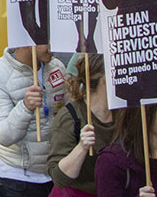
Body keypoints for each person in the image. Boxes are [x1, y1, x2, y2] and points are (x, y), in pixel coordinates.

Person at [0, 43, 67, 197]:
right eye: (47, 42)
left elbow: (69, 113)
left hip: (57, 173)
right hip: (18, 180)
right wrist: (25, 107)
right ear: (28, 43)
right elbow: (3, 136)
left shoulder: (57, 67)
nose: (53, 46)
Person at [46, 53, 111, 196]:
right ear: (105, 81)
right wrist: (82, 147)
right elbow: (58, 178)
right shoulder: (69, 117)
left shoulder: (125, 114)